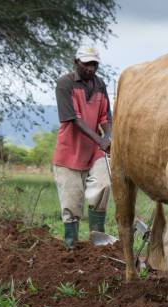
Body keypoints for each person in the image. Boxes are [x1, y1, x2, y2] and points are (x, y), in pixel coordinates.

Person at [52, 45, 112, 249]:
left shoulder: (100, 84)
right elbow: (74, 119)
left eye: (94, 64)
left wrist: (110, 137)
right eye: (86, 63)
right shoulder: (65, 84)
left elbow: (105, 117)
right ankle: (71, 246)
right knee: (72, 201)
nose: (91, 68)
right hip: (69, 150)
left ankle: (98, 240)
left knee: (104, 185)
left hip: (95, 151)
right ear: (76, 62)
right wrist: (101, 140)